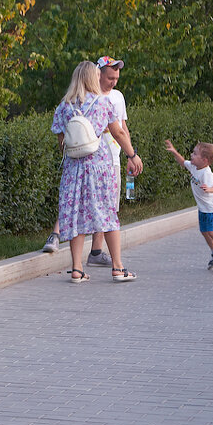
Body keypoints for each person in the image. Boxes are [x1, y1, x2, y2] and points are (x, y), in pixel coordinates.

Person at [50, 61, 141, 283]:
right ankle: (118, 268)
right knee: (107, 213)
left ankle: (77, 269)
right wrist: (132, 155)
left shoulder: (63, 107)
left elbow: (62, 143)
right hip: (99, 167)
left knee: (74, 215)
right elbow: (118, 132)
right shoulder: (103, 103)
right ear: (93, 78)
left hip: (73, 168)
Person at [163, 139, 213, 268]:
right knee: (204, 231)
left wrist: (209, 189)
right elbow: (182, 162)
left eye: (194, 154)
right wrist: (174, 151)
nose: (191, 155)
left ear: (204, 160)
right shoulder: (194, 166)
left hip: (212, 209)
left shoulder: (207, 173)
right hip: (203, 208)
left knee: (212, 231)